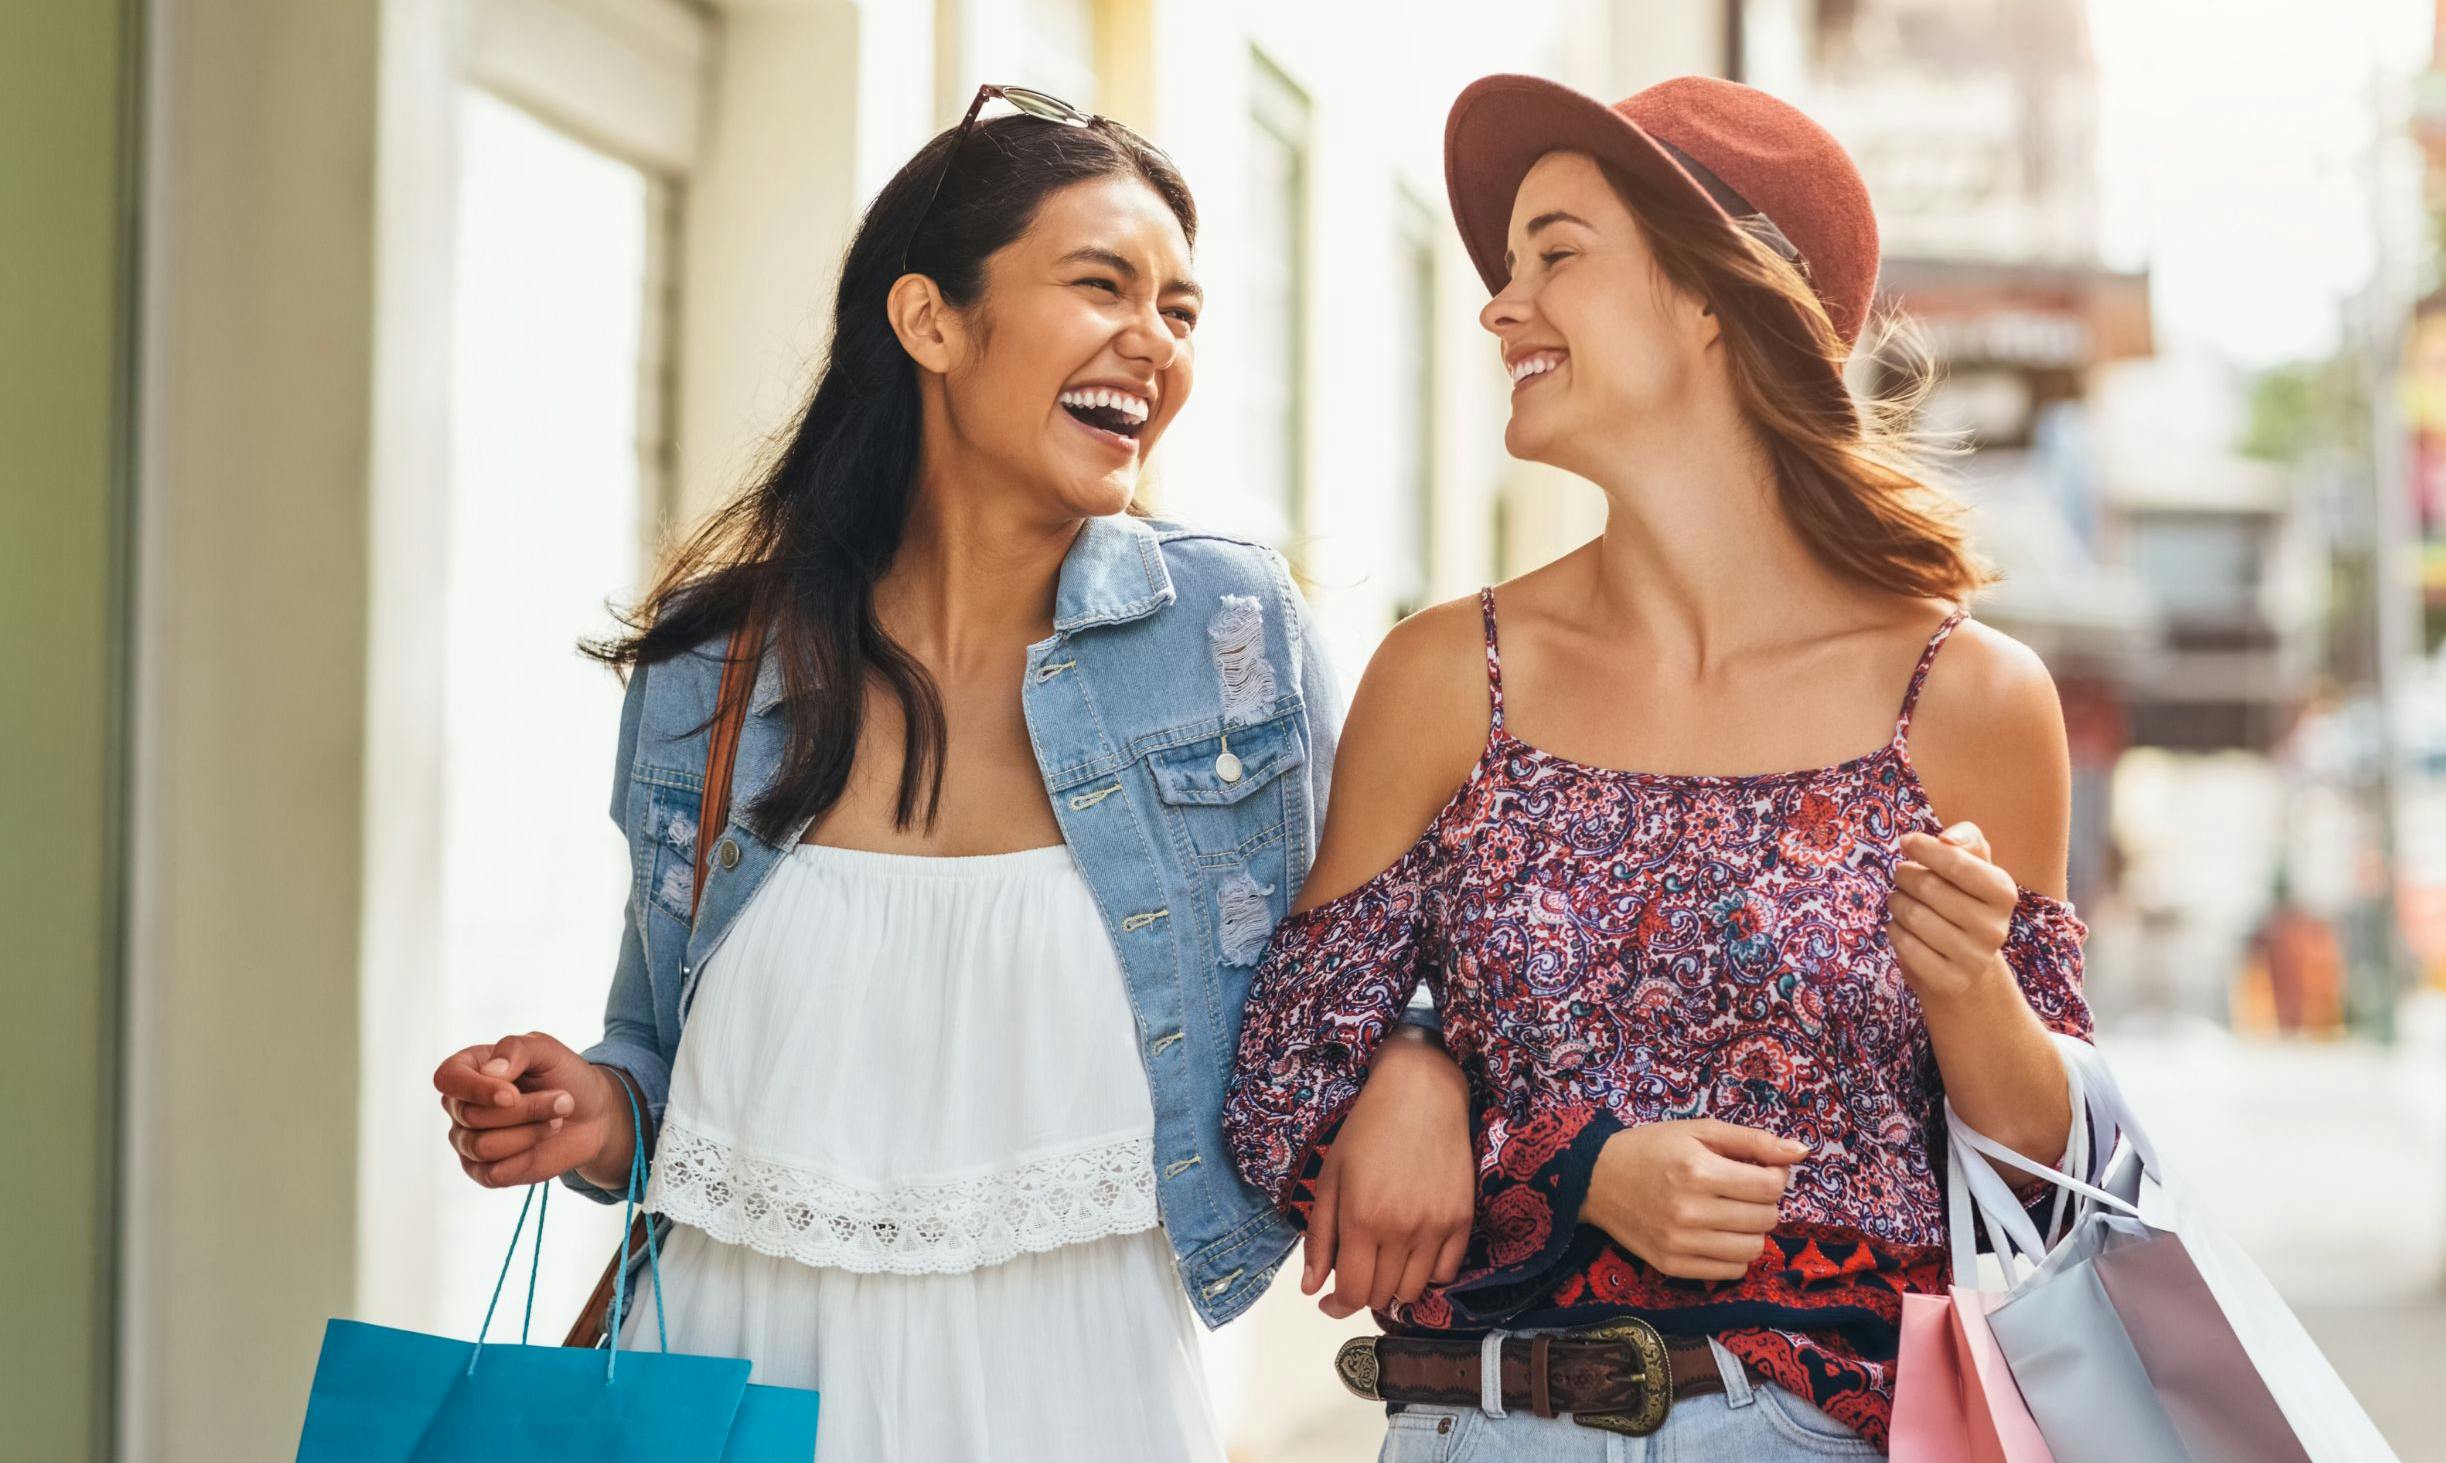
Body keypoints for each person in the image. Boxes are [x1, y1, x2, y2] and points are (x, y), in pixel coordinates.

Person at [428, 86, 1468, 1463]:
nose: (1150, 342)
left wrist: (1419, 1063)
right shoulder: (718, 668)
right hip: (730, 1379)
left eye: (1180, 309)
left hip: (1077, 1385)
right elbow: (658, 1064)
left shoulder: (1226, 640)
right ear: (928, 321)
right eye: (1102, 285)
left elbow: (1361, 971)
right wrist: (585, 1110)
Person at [1224, 74, 2093, 1459]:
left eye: (1554, 254)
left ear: (1718, 299)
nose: (1500, 306)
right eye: (1505, 270)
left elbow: (2053, 1193)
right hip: (1480, 1427)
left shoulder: (1968, 700)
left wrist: (1970, 990)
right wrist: (1514, 1136)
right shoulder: (1449, 677)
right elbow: (1276, 1106)